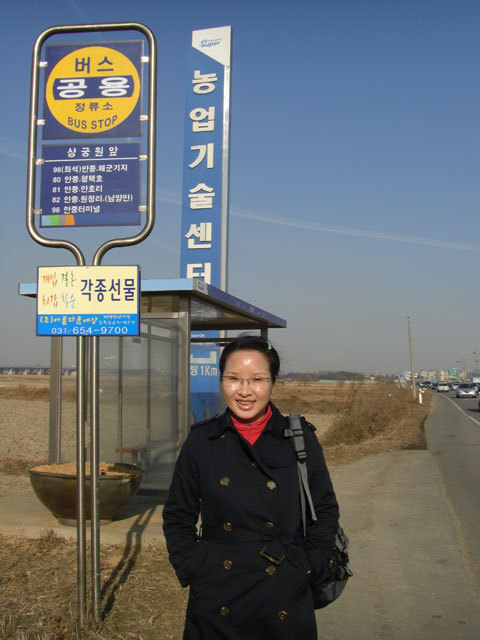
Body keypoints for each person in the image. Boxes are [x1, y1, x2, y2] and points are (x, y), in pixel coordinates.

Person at [162, 335, 339, 640]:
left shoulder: (299, 439)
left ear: (273, 382)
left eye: (257, 380)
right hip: (217, 592)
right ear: (222, 381)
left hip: (285, 586)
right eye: (234, 379)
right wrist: (193, 566)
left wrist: (309, 567)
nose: (244, 391)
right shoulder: (201, 442)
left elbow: (324, 511)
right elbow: (178, 514)